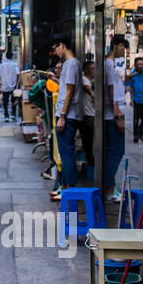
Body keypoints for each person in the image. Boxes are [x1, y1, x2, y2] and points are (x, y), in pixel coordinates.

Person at [52, 34, 83, 195]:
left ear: (62, 45)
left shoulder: (70, 64)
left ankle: (70, 188)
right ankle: (64, 186)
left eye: (55, 48)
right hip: (70, 114)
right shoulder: (73, 63)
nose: (55, 51)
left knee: (67, 152)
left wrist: (62, 116)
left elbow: (70, 91)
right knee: (65, 152)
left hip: (68, 115)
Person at [103, 35, 127, 197]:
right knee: (115, 152)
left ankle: (109, 186)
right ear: (116, 46)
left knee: (113, 152)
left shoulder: (108, 64)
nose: (123, 52)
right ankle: (109, 188)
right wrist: (118, 116)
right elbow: (112, 92)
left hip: (110, 115)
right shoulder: (109, 65)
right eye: (123, 48)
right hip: (112, 116)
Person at [126, 56, 143, 144]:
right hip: (136, 99)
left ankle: (141, 135)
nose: (140, 66)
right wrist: (130, 99)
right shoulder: (132, 74)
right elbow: (130, 88)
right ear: (136, 65)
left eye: (142, 64)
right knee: (136, 118)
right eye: (139, 64)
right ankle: (135, 136)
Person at [81, 59, 96, 172]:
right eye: (92, 69)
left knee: (90, 140)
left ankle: (90, 161)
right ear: (86, 70)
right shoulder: (85, 81)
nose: (94, 71)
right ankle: (91, 162)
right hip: (88, 115)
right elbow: (91, 93)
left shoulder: (89, 81)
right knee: (89, 141)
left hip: (90, 113)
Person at [0, 49, 20, 121]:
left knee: (5, 101)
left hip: (5, 85)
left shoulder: (2, 65)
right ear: (12, 56)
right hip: (13, 85)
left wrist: (0, 85)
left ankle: (6, 115)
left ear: (6, 57)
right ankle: (13, 114)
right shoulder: (15, 65)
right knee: (13, 100)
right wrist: (16, 83)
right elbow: (17, 74)